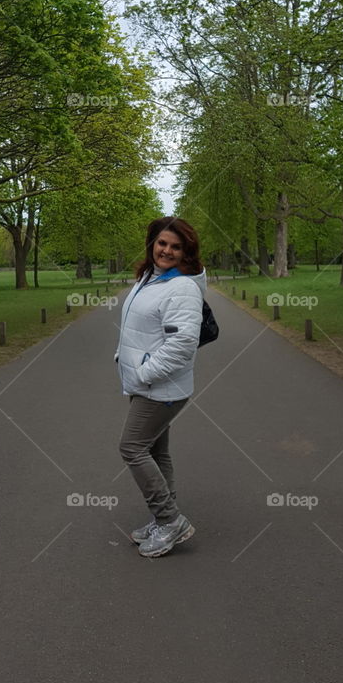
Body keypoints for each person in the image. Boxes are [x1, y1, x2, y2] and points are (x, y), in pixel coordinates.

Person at [114, 216, 206, 558]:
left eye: (176, 246)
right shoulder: (151, 277)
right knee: (155, 451)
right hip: (148, 382)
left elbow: (183, 344)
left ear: (186, 252)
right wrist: (125, 358)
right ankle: (164, 518)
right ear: (152, 243)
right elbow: (142, 328)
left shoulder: (182, 287)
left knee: (131, 448)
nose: (166, 250)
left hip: (160, 387)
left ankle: (170, 521)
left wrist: (144, 373)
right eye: (162, 243)